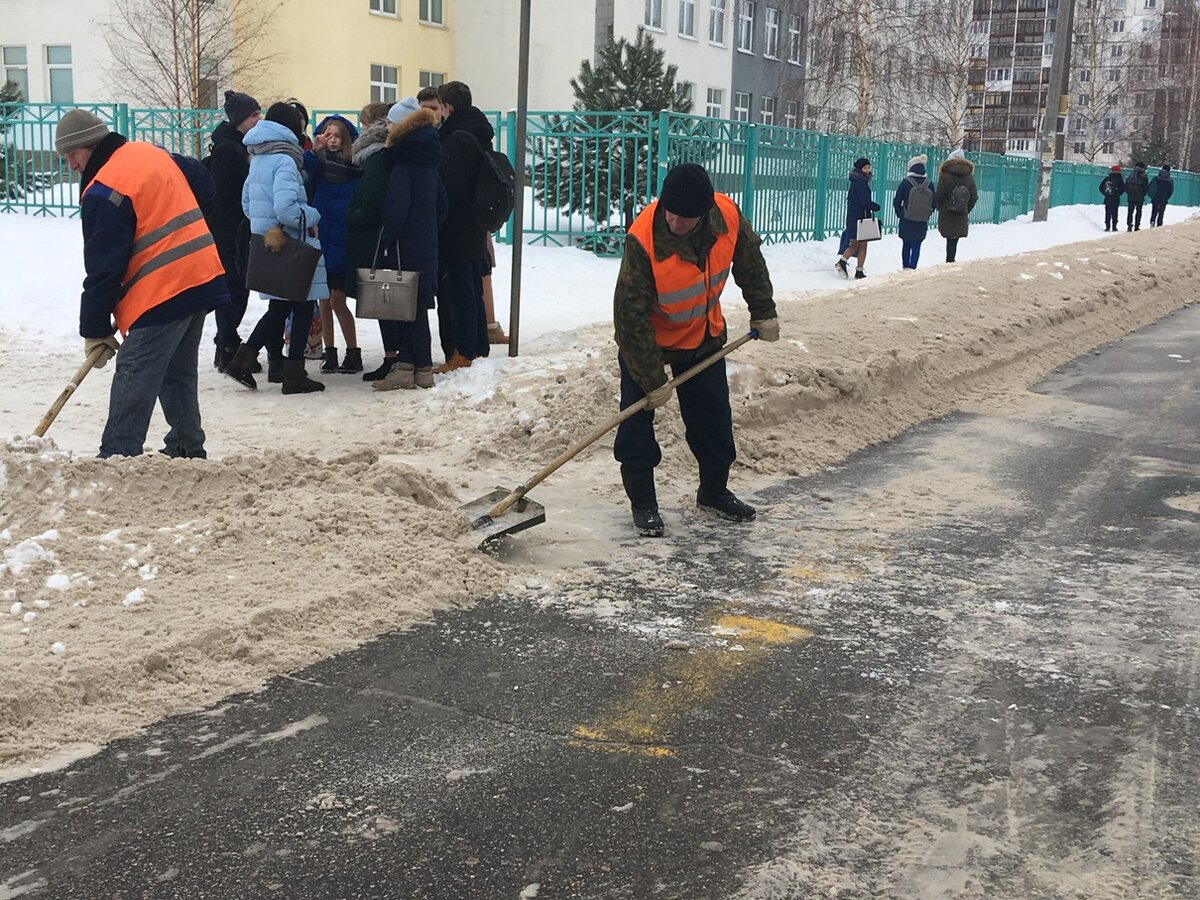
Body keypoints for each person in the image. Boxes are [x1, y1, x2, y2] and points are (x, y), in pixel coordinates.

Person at [613, 163, 780, 538]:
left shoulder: (728, 218)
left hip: (702, 335)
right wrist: (652, 378)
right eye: (669, 211)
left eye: (685, 218)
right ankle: (644, 504)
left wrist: (763, 311)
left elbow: (750, 263)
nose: (674, 221)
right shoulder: (644, 239)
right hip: (647, 342)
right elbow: (629, 316)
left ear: (703, 214)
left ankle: (714, 491)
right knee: (635, 425)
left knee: (712, 419)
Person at [56, 109, 228, 459]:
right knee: (176, 371)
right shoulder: (147, 152)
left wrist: (93, 327)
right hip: (200, 273)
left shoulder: (105, 189)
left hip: (163, 288)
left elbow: (103, 267)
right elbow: (205, 183)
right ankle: (186, 447)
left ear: (90, 147)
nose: (71, 165)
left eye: (73, 155)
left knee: (135, 370)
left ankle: (118, 455)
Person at [224, 102, 327, 394]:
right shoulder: (284, 159)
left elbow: (247, 204)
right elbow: (286, 208)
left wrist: (263, 224)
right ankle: (294, 374)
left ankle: (241, 361)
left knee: (281, 305)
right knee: (303, 304)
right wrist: (312, 217)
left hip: (268, 242)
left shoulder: (259, 157)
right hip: (292, 242)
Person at [349, 98, 447, 392]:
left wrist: (387, 238)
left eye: (391, 122)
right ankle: (422, 370)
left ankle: (408, 368)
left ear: (403, 125)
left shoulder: (404, 158)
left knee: (405, 309)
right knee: (417, 308)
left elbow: (396, 208)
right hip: (426, 241)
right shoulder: (429, 155)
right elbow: (442, 206)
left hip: (405, 244)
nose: (388, 127)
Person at [434, 80, 493, 372]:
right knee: (471, 288)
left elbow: (452, 186)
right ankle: (477, 346)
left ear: (448, 107)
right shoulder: (479, 131)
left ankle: (463, 351)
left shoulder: (456, 137)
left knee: (459, 291)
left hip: (457, 226)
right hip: (474, 224)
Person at [345, 101, 403, 382]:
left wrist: (354, 215)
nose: (360, 129)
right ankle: (394, 355)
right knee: (387, 299)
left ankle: (392, 356)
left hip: (376, 237)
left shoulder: (377, 157)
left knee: (385, 299)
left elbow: (373, 201)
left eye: (364, 124)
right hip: (382, 235)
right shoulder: (384, 154)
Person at [305, 114, 363, 374]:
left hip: (344, 242)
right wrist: (313, 152)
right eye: (327, 134)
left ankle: (353, 351)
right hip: (321, 240)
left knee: (338, 300)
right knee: (323, 301)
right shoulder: (319, 167)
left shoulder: (354, 170)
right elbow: (302, 176)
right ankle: (330, 352)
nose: (331, 140)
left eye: (337, 135)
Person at [207, 90, 260, 373]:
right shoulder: (228, 149)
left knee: (238, 287)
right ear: (239, 119)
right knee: (233, 288)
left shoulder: (238, 145)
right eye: (253, 115)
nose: (258, 119)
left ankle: (225, 343)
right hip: (228, 230)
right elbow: (223, 193)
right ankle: (227, 345)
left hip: (236, 227)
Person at [834, 157, 880, 280]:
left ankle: (843, 261)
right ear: (860, 170)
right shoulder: (861, 183)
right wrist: (875, 206)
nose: (868, 170)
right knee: (862, 245)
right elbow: (865, 202)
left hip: (853, 218)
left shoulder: (855, 182)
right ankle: (858, 270)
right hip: (861, 218)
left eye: (868, 167)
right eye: (865, 168)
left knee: (854, 244)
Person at [893, 154, 936, 270]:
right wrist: (927, 213)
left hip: (907, 218)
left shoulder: (906, 183)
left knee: (906, 243)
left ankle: (905, 266)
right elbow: (934, 202)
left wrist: (900, 214)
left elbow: (897, 201)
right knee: (917, 244)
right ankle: (913, 267)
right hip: (922, 220)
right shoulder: (929, 183)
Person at [935, 149, 978, 263]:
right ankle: (951, 259)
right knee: (955, 239)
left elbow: (939, 194)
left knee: (949, 236)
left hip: (947, 212)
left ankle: (949, 260)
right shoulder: (969, 177)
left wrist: (940, 207)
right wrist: (966, 208)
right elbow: (973, 196)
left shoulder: (944, 176)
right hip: (961, 213)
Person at [1099, 165, 1125, 232]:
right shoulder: (1120, 179)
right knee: (1115, 213)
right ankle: (1114, 227)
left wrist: (1106, 194)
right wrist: (1117, 194)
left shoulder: (1107, 178)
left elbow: (1101, 187)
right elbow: (1122, 189)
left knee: (1108, 213)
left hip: (1108, 198)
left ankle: (1107, 227)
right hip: (1115, 199)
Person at [1125, 161, 1148, 232]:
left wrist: (1129, 193)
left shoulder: (1131, 175)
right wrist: (1143, 194)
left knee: (1130, 211)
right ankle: (1137, 226)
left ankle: (1129, 225)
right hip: (1140, 196)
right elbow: (1145, 187)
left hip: (1131, 195)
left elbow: (1126, 185)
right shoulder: (1144, 176)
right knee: (1138, 211)